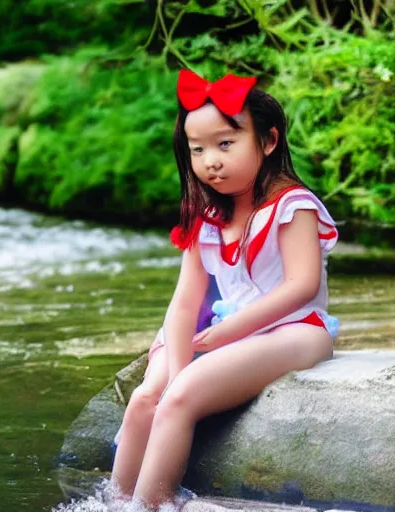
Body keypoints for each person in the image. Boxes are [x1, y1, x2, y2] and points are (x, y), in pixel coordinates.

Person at [109, 69, 339, 511]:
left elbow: (302, 285)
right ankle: (111, 502)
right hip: (224, 327)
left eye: (225, 144)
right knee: (145, 399)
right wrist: (178, 368)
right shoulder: (208, 217)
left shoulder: (293, 206)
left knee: (180, 399)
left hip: (294, 329)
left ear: (268, 141)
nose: (210, 160)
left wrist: (227, 333)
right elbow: (184, 304)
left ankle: (150, 505)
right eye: (198, 150)